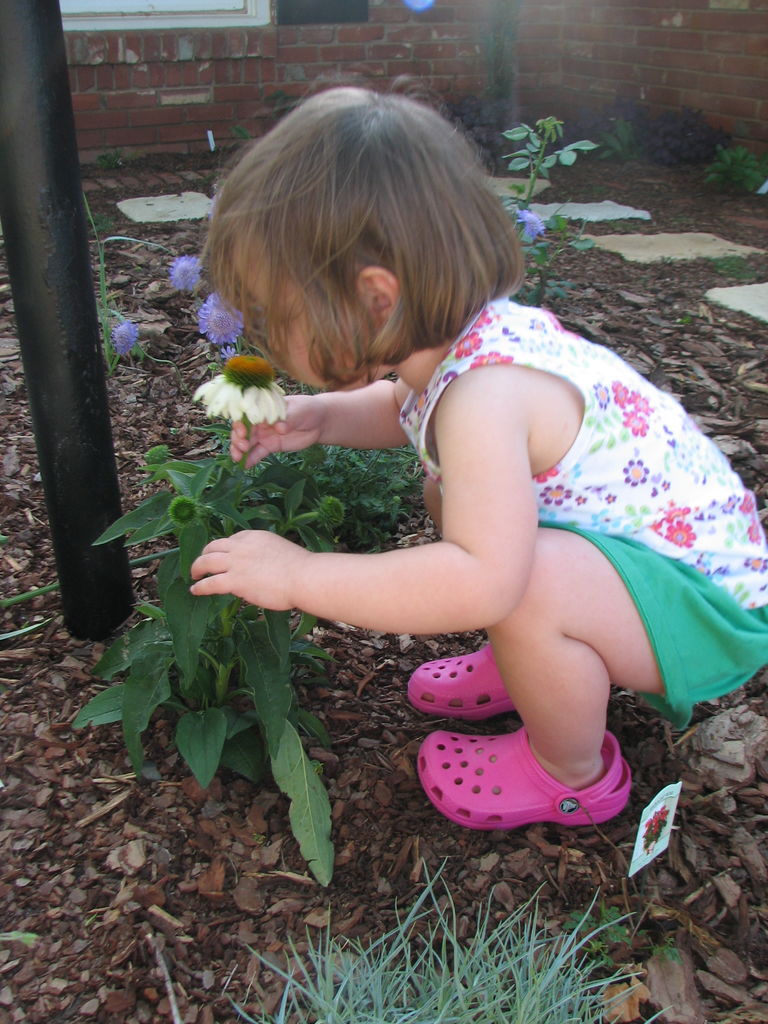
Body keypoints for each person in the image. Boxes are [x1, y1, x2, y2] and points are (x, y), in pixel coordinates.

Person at [190, 86, 768, 832]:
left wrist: (300, 575)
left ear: (374, 300)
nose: (261, 336)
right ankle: (543, 666)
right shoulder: (462, 346)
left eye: (274, 313)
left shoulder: (487, 395)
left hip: (707, 611)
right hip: (654, 569)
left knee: (520, 580)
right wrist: (320, 417)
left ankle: (572, 772)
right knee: (469, 503)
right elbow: (407, 406)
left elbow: (481, 584)